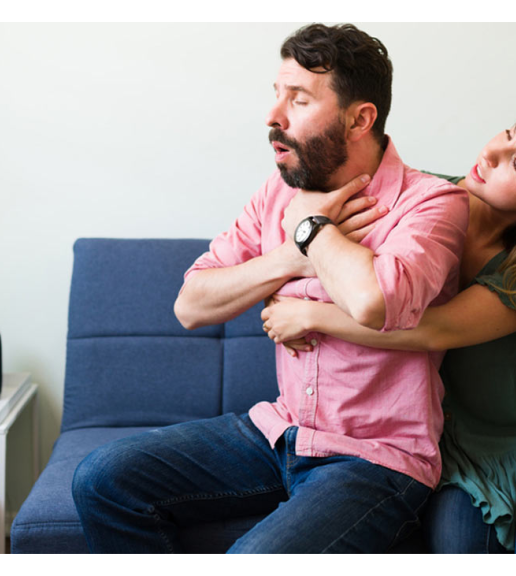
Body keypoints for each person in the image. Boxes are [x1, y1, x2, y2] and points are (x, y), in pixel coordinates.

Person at [72, 23, 469, 553]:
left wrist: (311, 229)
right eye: (277, 93)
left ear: (360, 119)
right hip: (280, 431)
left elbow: (374, 301)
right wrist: (288, 256)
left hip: (375, 459)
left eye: (298, 99)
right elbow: (191, 304)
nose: (273, 116)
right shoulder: (279, 193)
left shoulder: (431, 203)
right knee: (101, 479)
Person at [260, 104, 516, 553]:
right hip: (457, 445)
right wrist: (281, 287)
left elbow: (430, 330)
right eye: (508, 132)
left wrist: (312, 316)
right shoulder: (425, 199)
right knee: (456, 544)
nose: (491, 152)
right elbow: (334, 263)